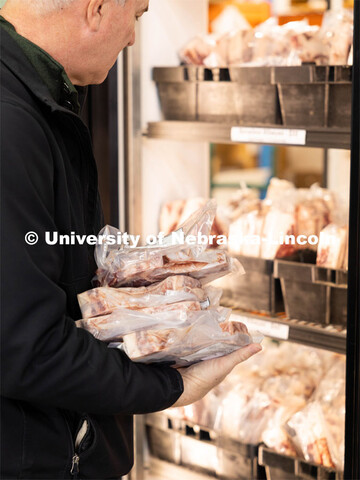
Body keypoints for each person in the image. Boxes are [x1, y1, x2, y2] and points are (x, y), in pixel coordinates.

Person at [0, 0, 262, 478]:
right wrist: (171, 386)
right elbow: (27, 347)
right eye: (138, 16)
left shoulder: (34, 98)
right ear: (97, 9)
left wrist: (139, 285)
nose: (134, 40)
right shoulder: (13, 120)